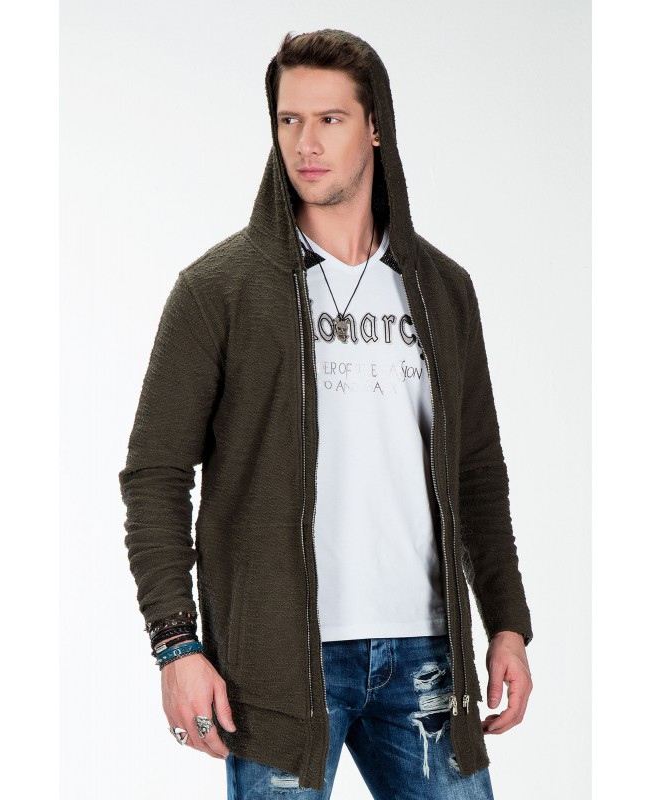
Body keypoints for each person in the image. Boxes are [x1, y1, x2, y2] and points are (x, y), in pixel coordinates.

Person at [118, 28, 534, 799]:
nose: (305, 143)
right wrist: (176, 645)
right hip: (279, 663)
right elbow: (155, 474)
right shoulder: (218, 291)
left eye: (330, 120)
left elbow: (478, 470)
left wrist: (506, 622)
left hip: (429, 657)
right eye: (289, 120)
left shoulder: (442, 290)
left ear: (375, 126)